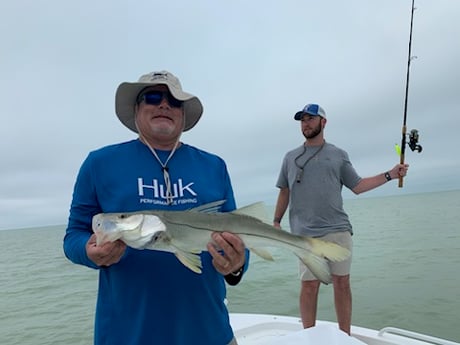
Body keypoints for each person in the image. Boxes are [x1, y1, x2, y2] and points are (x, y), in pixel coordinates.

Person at [63, 70, 248, 345]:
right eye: (153, 97)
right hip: (128, 335)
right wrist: (89, 252)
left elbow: (239, 234)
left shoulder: (214, 166)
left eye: (174, 102)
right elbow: (74, 235)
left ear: (183, 115)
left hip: (210, 332)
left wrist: (236, 266)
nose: (164, 104)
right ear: (136, 110)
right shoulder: (99, 163)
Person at [273, 103, 408, 335]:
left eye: (310, 119)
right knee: (308, 286)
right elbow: (284, 191)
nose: (306, 123)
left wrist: (390, 174)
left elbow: (357, 185)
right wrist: (276, 221)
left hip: (338, 230)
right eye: (302, 120)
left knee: (342, 284)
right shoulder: (290, 157)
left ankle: (345, 336)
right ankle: (309, 336)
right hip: (304, 234)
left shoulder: (338, 155)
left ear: (323, 122)